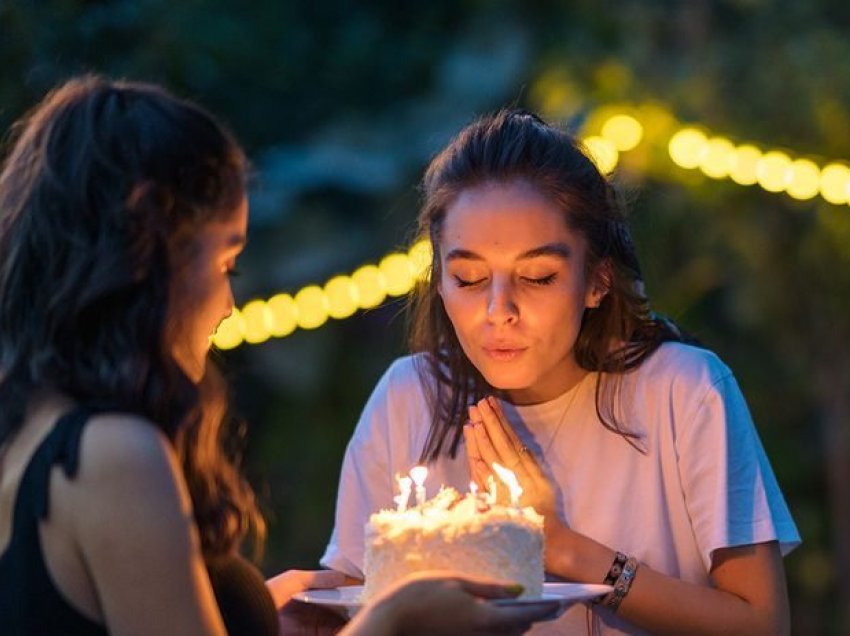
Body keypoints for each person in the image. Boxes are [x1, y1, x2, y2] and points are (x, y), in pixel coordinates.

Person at [0, 77, 561, 635]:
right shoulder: (113, 452)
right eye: (226, 265)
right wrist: (389, 624)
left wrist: (248, 619)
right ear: (148, 249)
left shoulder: (31, 427)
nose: (227, 305)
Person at [321, 109, 801, 635]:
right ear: (440, 281)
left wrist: (563, 546)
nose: (498, 310)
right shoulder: (408, 398)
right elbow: (353, 593)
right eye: (469, 278)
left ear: (596, 280)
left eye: (537, 276)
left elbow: (763, 624)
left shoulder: (684, 392)